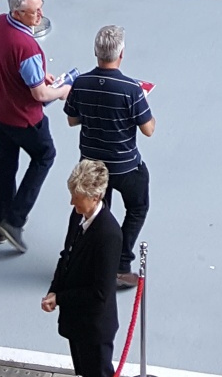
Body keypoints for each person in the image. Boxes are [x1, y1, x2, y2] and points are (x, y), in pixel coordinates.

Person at [41, 160, 123, 377]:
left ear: (94, 196)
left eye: (76, 197)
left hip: (95, 326)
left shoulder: (108, 234)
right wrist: (54, 289)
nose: (71, 202)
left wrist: (61, 297)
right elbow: (67, 256)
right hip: (79, 321)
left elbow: (100, 292)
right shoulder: (80, 218)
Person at [65, 25, 155, 289]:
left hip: (91, 165)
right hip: (124, 166)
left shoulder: (81, 83)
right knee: (137, 207)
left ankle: (74, 259)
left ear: (96, 52)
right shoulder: (131, 89)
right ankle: (120, 263)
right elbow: (148, 129)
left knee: (89, 210)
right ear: (121, 53)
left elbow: (72, 120)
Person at [0, 0, 69, 254]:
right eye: (34, 12)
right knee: (45, 155)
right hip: (21, 118)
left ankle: (0, 223)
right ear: (18, 13)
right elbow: (40, 94)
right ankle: (15, 220)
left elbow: (10, 66)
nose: (40, 15)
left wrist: (39, 75)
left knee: (5, 160)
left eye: (41, 8)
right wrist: (63, 91)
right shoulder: (27, 47)